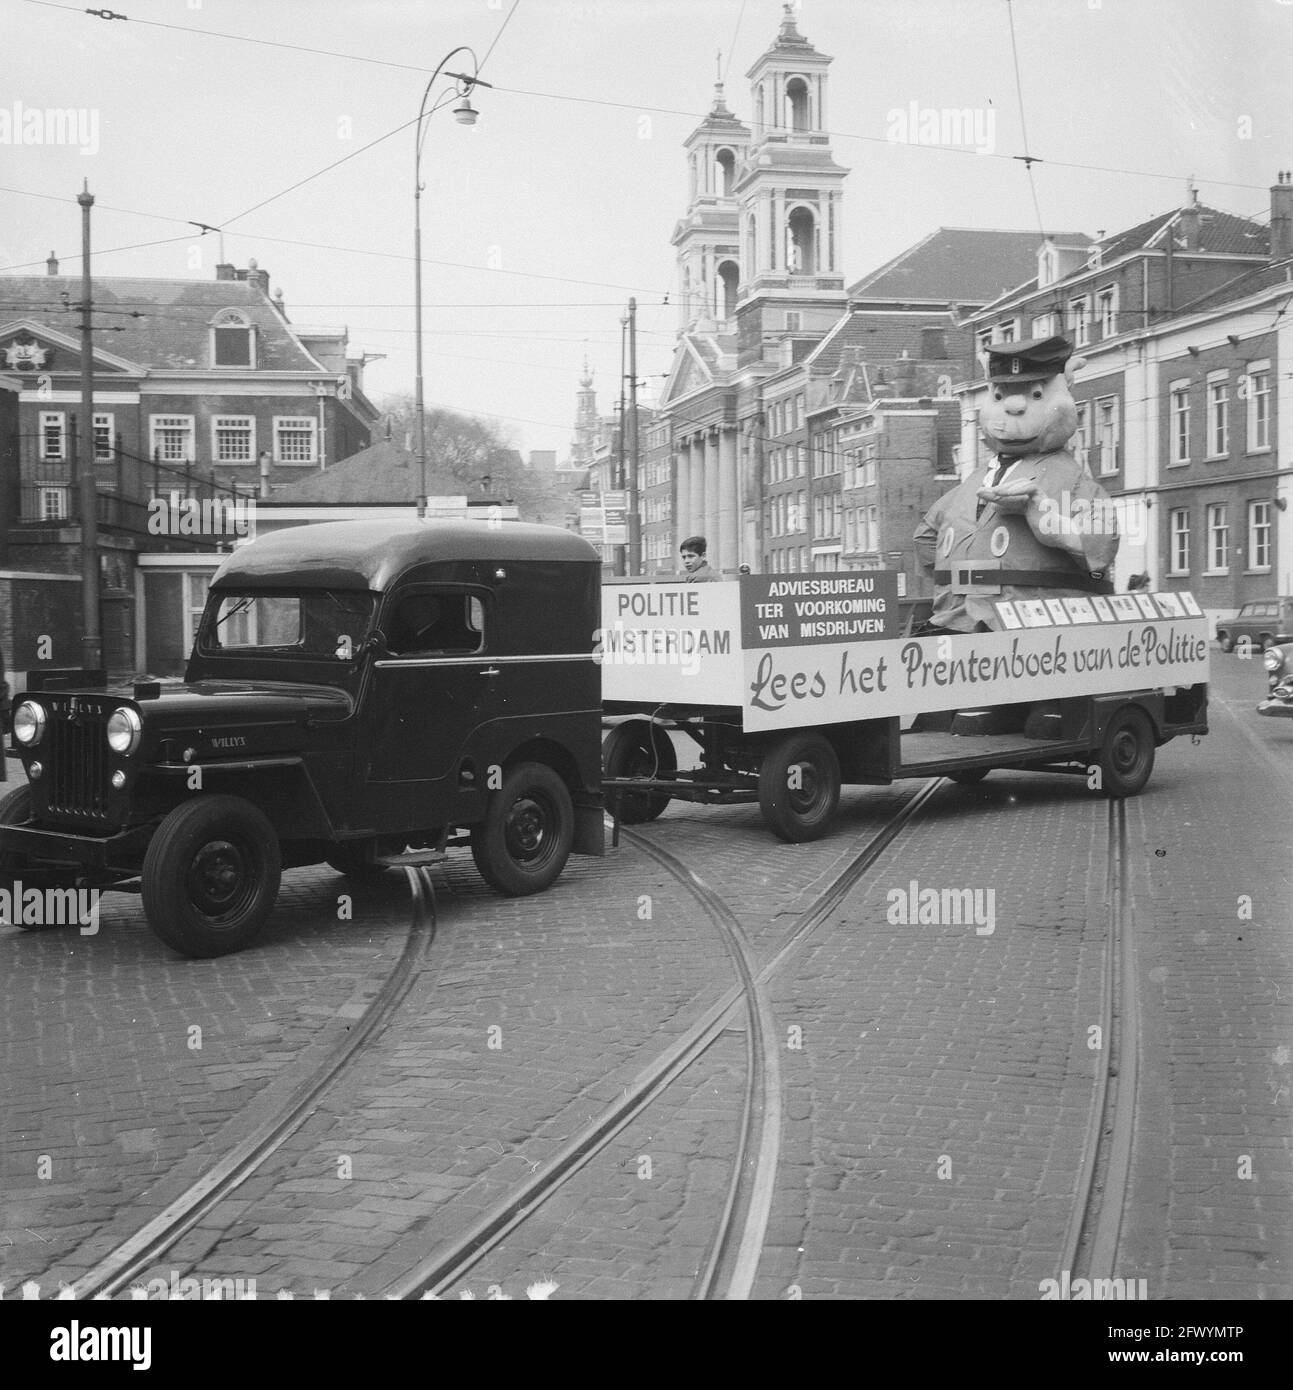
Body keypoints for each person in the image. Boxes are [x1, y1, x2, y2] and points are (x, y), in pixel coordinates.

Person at [913, 334, 1119, 634]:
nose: (1013, 405)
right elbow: (926, 538)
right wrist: (960, 579)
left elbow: (1102, 545)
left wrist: (1047, 522)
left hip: (1033, 629)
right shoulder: (975, 480)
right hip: (957, 621)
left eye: (1036, 395)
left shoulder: (1075, 483)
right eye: (999, 396)